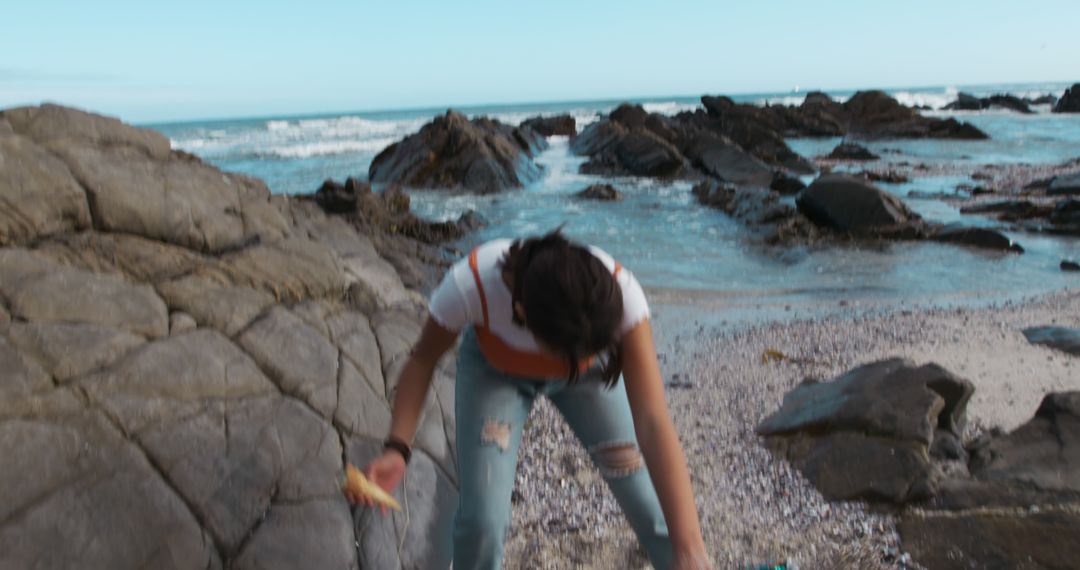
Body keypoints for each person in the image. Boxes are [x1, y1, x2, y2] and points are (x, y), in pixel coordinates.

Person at [348, 229, 712, 569]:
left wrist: (690, 546)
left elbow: (652, 421)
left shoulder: (618, 295)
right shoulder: (471, 285)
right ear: (522, 315)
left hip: (588, 381)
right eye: (571, 354)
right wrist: (398, 448)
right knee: (483, 522)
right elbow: (422, 360)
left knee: (656, 510)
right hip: (496, 373)